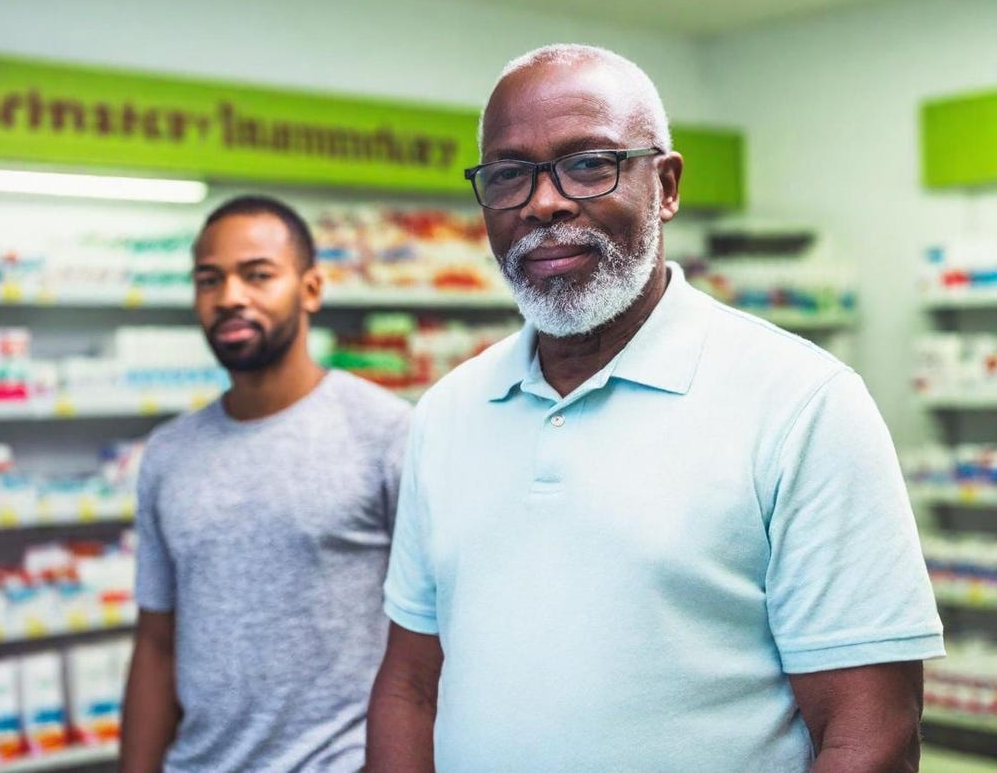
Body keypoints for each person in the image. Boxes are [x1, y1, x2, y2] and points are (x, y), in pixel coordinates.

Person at [367, 44, 944, 772]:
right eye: (510, 174)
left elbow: (870, 736)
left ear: (665, 185)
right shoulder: (446, 413)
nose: (544, 202)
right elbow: (410, 687)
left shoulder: (800, 404)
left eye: (587, 163)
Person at [120, 195, 410, 772]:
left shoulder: (388, 433)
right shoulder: (168, 453)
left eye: (257, 275)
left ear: (311, 289)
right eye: (210, 280)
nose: (230, 297)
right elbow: (156, 646)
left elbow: (431, 644)